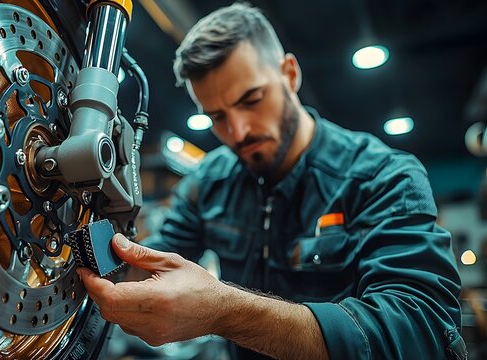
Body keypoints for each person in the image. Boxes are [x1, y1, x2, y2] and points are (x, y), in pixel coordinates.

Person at [77, 3, 467, 359]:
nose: (238, 131)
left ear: (290, 74)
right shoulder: (209, 181)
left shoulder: (382, 176)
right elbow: (146, 266)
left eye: (251, 99)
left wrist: (225, 312)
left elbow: (423, 330)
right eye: (217, 116)